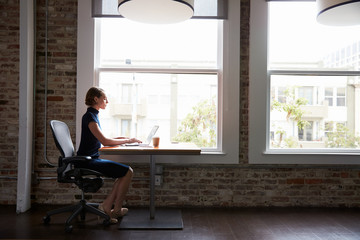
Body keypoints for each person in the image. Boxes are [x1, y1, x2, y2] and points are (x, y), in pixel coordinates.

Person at [77, 86, 142, 224]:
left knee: (124, 173)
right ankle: (112, 208)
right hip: (87, 161)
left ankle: (110, 207)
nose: (107, 101)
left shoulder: (93, 115)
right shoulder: (90, 117)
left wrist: (122, 139)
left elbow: (101, 139)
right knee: (127, 172)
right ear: (96, 99)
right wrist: (128, 140)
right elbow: (104, 141)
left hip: (90, 158)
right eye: (105, 99)